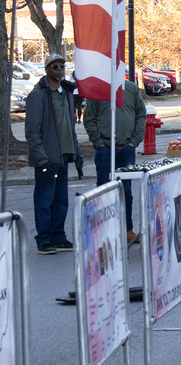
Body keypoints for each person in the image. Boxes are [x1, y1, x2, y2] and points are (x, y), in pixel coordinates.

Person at [82, 75, 146, 244]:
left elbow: (141, 115)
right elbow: (88, 119)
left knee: (126, 191)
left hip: (126, 149)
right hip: (105, 149)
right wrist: (99, 143)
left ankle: (127, 229)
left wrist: (134, 141)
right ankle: (102, 230)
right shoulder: (97, 89)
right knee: (103, 190)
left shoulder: (131, 88)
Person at [26, 55, 77, 254]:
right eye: (55, 66)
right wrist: (41, 159)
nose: (60, 69)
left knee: (61, 200)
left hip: (63, 155)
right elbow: (32, 131)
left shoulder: (66, 93)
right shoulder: (38, 95)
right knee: (44, 200)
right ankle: (44, 240)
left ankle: (59, 236)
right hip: (47, 158)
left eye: (62, 66)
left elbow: (70, 126)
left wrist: (77, 152)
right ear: (47, 70)